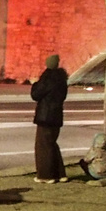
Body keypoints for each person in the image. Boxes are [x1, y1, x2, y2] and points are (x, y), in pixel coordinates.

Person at [30, 53, 69, 183]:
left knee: (43, 146)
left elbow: (36, 94)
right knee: (52, 144)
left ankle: (46, 175)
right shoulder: (62, 79)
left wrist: (34, 84)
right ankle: (60, 174)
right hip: (57, 116)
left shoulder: (47, 78)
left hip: (45, 116)